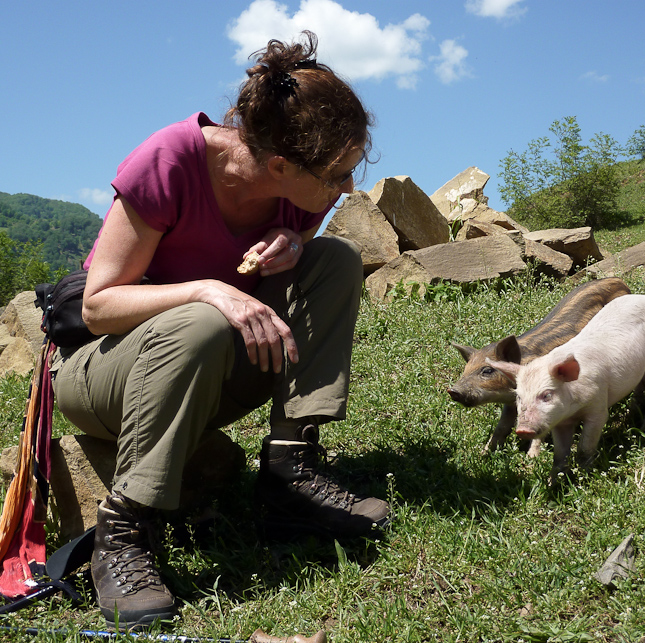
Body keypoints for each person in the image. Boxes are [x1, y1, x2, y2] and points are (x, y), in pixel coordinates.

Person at [50, 31, 391, 631]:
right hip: (104, 377)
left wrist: (294, 242)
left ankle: (290, 473)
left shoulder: (302, 190)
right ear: (280, 164)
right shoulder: (170, 160)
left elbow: (302, 245)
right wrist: (207, 288)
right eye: (339, 174)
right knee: (202, 318)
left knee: (334, 259)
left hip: (208, 372)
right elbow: (99, 306)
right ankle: (124, 530)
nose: (348, 188)